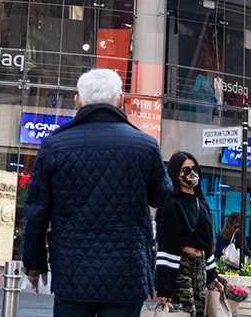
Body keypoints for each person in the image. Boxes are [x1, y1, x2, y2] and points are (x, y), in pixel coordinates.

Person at [22, 68, 172, 316]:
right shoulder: (144, 145)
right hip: (128, 272)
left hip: (72, 274)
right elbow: (161, 196)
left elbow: (37, 211)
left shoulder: (55, 146)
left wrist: (34, 263)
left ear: (78, 101)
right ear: (121, 100)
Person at [155, 151, 223, 317]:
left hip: (199, 267)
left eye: (194, 168)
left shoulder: (202, 203)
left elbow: (207, 242)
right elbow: (166, 247)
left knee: (200, 312)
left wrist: (212, 276)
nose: (192, 173)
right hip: (180, 267)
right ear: (176, 174)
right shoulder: (171, 204)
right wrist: (164, 289)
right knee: (186, 313)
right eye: (186, 170)